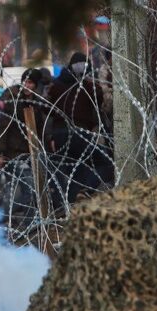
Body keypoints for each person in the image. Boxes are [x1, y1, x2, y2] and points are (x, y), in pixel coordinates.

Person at [47, 52, 113, 202]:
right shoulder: (89, 87)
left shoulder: (56, 86)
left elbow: (48, 110)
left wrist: (51, 136)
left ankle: (72, 202)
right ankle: (85, 190)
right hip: (80, 133)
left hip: (60, 135)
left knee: (71, 171)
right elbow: (99, 104)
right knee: (105, 163)